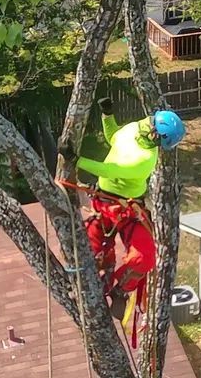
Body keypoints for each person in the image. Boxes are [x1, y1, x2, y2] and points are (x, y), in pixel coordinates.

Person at [61, 97, 186, 320]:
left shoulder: (146, 159)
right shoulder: (132, 129)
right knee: (90, 250)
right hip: (104, 203)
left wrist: (76, 160)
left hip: (128, 208)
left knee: (144, 257)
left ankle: (120, 291)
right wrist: (108, 116)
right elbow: (113, 137)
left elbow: (109, 170)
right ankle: (87, 286)